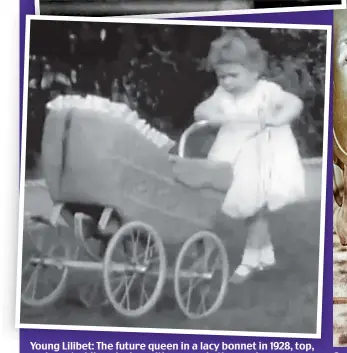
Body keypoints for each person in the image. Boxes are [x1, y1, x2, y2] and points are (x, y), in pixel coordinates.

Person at [194, 29, 306, 284]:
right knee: (249, 210)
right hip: (233, 157)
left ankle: (249, 261)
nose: (227, 82)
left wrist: (277, 118)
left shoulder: (266, 91)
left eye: (233, 75)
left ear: (254, 71)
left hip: (263, 157)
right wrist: (213, 116)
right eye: (222, 76)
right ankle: (266, 256)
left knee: (256, 211)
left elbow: (293, 103)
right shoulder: (223, 95)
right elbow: (201, 110)